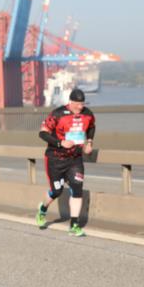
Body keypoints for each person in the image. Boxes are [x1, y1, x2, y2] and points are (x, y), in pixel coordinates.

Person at [36, 88, 95, 237]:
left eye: (82, 104)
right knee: (57, 191)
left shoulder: (87, 114)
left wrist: (89, 142)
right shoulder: (58, 114)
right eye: (77, 104)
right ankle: (42, 210)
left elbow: (91, 127)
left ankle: (74, 225)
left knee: (77, 189)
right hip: (55, 159)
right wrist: (60, 143)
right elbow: (42, 133)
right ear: (71, 102)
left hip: (75, 159)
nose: (80, 107)